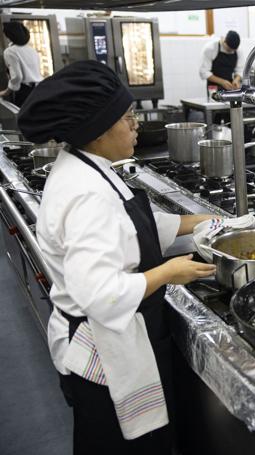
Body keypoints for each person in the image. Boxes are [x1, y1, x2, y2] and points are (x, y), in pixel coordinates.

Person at [17, 60, 219, 453]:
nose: (136, 125)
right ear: (97, 131)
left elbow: (130, 226)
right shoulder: (86, 193)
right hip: (104, 351)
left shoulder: (91, 166)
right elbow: (100, 292)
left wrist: (202, 221)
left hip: (123, 332)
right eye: (128, 118)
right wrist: (168, 272)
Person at [0, 21, 42, 107]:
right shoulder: (31, 50)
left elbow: (17, 76)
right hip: (37, 90)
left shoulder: (10, 51)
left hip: (23, 91)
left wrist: (6, 91)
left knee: (20, 116)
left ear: (9, 35)